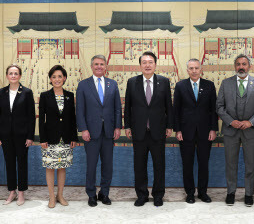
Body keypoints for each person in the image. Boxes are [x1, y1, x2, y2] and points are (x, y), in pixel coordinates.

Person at [216, 54, 254, 207]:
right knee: (230, 164)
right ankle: (230, 193)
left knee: (250, 164)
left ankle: (248, 194)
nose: (241, 67)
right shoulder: (226, 83)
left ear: (249, 66)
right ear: (235, 66)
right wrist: (231, 121)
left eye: (244, 64)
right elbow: (219, 107)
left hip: (250, 131)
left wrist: (250, 122)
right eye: (238, 64)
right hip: (230, 131)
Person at [124, 51, 174, 207]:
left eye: (150, 62)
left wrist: (169, 126)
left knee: (159, 165)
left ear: (155, 64)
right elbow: (128, 107)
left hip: (158, 131)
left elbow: (168, 107)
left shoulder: (164, 82)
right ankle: (142, 195)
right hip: (138, 131)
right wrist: (127, 126)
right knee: (139, 165)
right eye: (144, 62)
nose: (147, 65)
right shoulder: (132, 82)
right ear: (140, 65)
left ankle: (158, 195)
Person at [76, 55, 122, 207]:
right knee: (91, 165)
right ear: (91, 66)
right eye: (96, 64)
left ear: (106, 66)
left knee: (108, 165)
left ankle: (104, 193)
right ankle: (91, 194)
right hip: (91, 132)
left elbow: (117, 108)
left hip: (109, 132)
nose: (99, 67)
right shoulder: (83, 85)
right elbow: (80, 110)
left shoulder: (112, 84)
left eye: (102, 64)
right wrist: (83, 129)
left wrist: (117, 127)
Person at [174, 59, 218, 204]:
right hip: (185, 132)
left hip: (205, 132)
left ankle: (203, 192)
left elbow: (213, 110)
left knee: (203, 163)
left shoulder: (209, 86)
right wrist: (178, 130)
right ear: (187, 70)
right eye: (191, 68)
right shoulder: (180, 86)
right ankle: (190, 193)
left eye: (196, 68)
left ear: (201, 69)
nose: (194, 71)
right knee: (187, 163)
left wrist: (213, 129)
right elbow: (176, 110)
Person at [0, 64, 36, 206]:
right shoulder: (1, 92)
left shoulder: (27, 92)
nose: (13, 76)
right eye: (10, 73)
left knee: (22, 164)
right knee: (9, 163)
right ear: (7, 76)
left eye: (16, 73)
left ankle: (22, 192)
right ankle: (12, 191)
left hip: (22, 136)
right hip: (5, 135)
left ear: (20, 76)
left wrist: (30, 136)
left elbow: (31, 116)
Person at [39, 65, 78, 208]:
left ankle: (60, 195)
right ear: (50, 79)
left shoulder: (70, 95)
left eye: (60, 76)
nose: (57, 79)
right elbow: (41, 119)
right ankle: (51, 197)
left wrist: (74, 137)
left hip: (66, 138)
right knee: (50, 167)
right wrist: (42, 139)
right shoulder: (44, 96)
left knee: (62, 167)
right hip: (50, 139)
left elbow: (72, 118)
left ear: (65, 78)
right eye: (54, 77)